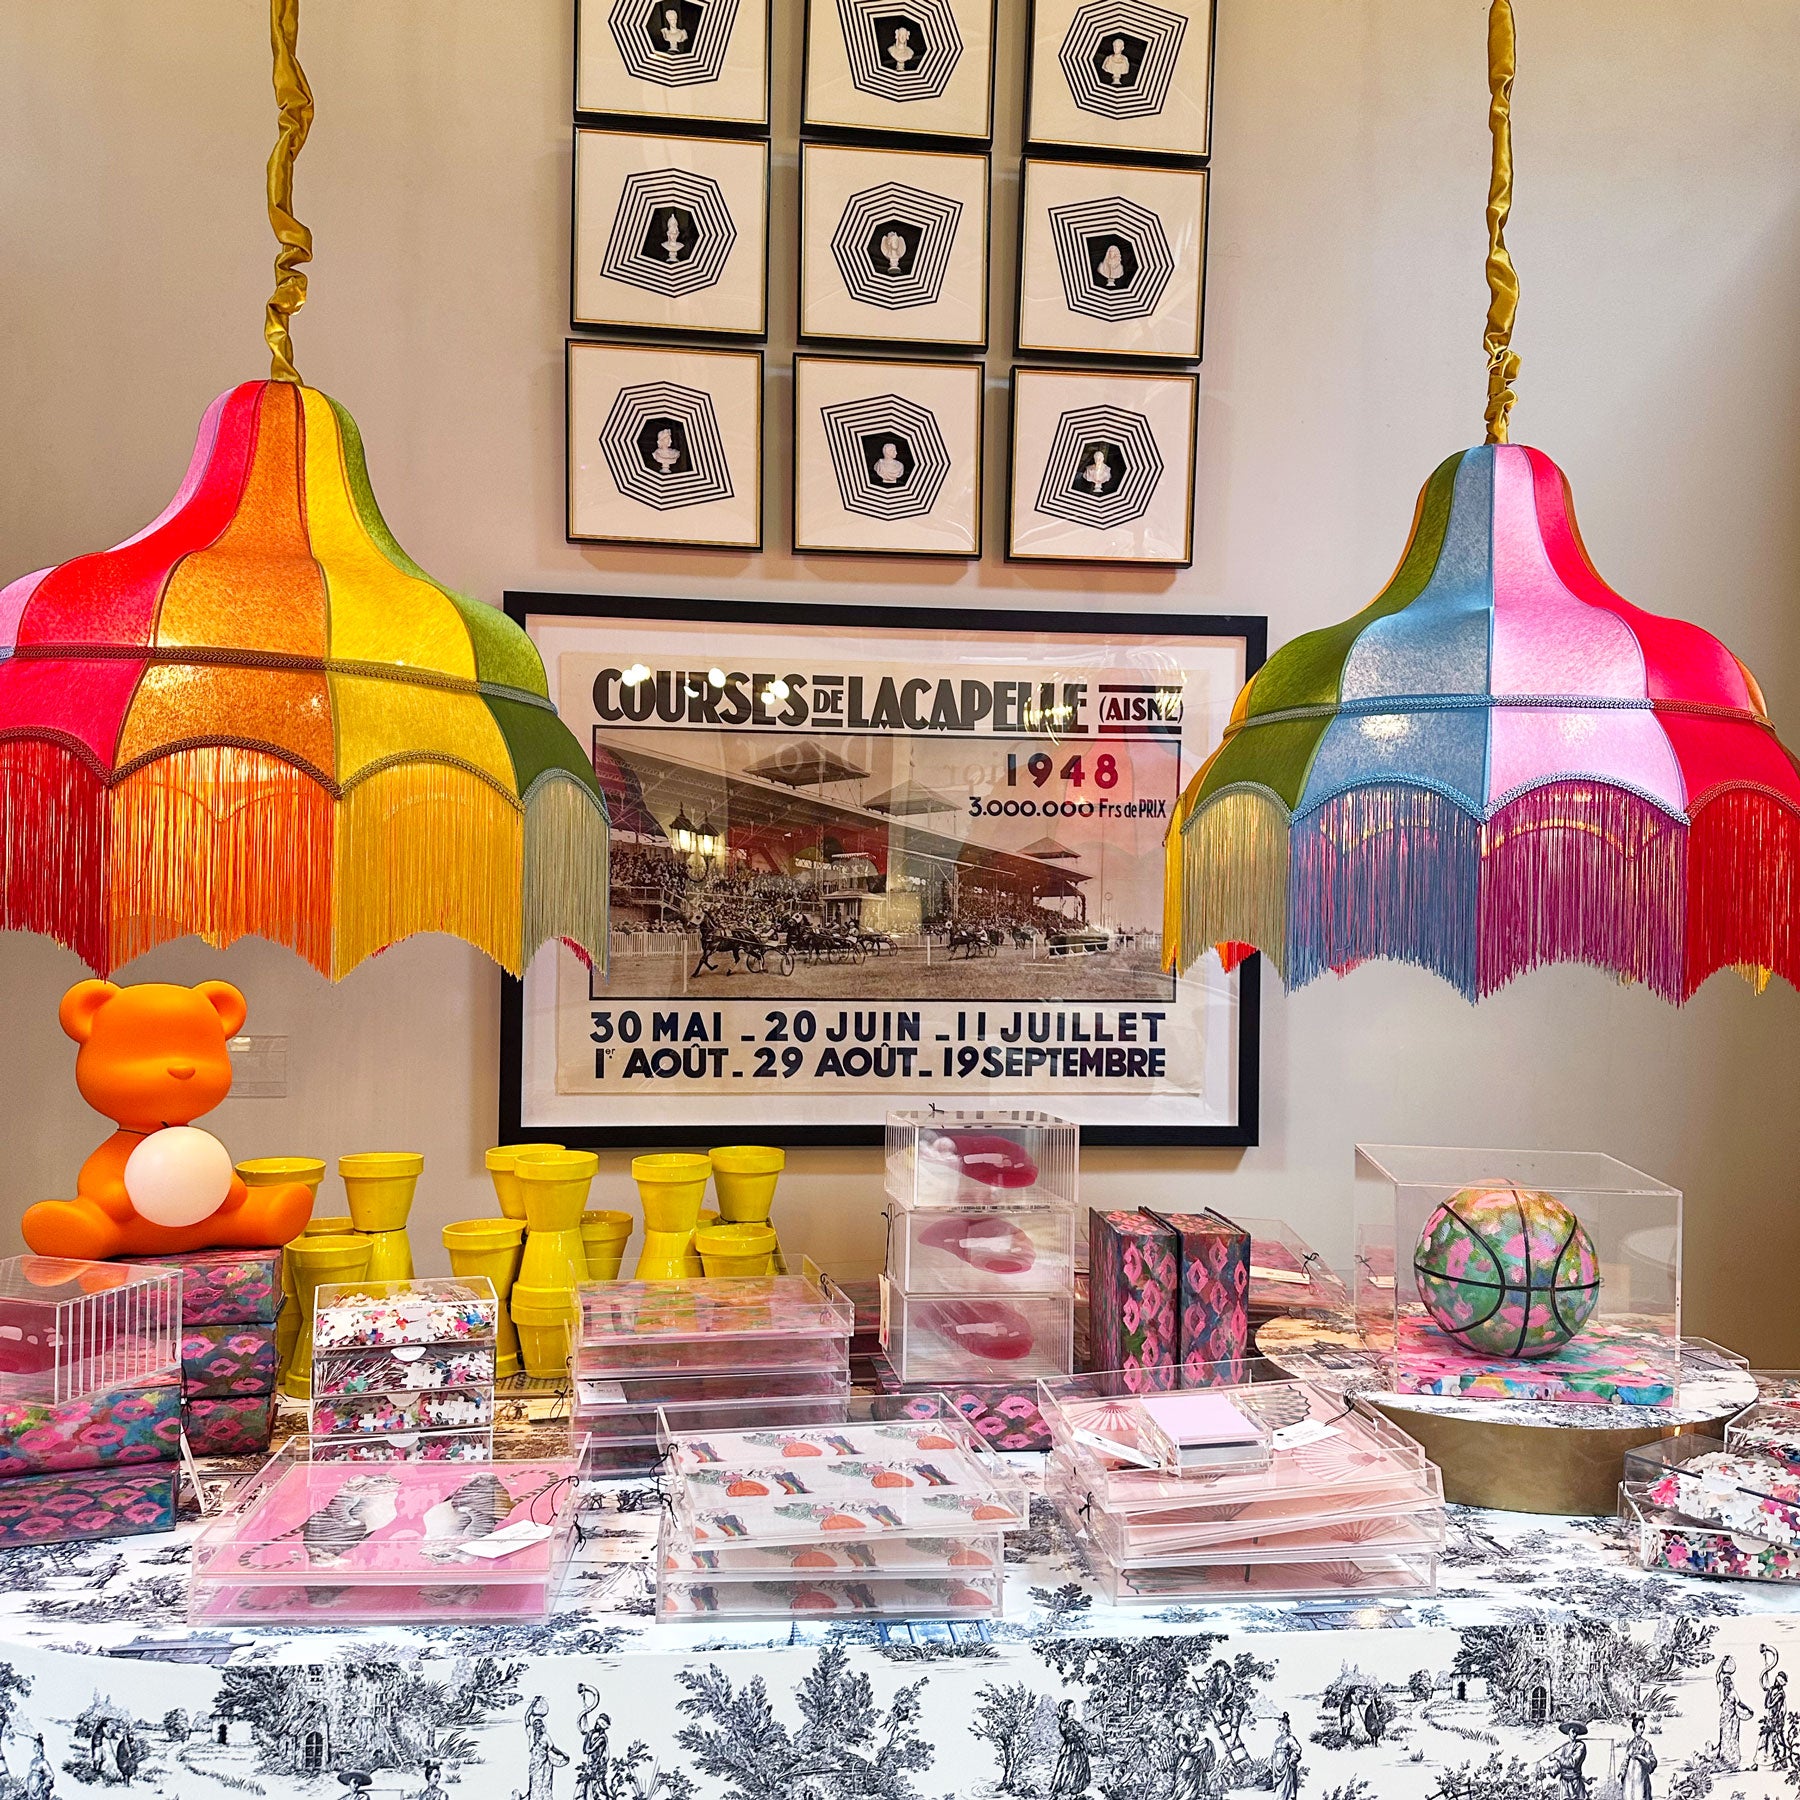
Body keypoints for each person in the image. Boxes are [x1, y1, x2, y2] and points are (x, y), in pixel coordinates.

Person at [1048, 1701, 1091, 1797]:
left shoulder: (1063, 1723)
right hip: (1075, 1747)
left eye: (1074, 1707)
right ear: (1066, 1711)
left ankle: (1068, 1788)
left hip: (1068, 1747)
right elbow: (1081, 1734)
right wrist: (1087, 1735)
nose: (1074, 1709)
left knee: (1067, 1767)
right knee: (1076, 1767)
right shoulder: (1072, 1723)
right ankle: (1072, 1789)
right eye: (1071, 1708)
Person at [1719, 1655, 1753, 1769]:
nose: (1726, 1682)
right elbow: (1717, 1675)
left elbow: (1739, 1703)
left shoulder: (1733, 1692)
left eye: (1728, 1681)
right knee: (1724, 1737)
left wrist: (1748, 1709)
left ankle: (1733, 1760)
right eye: (1725, 1681)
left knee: (1733, 1738)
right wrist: (1723, 1662)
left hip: (1733, 1718)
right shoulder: (1721, 1690)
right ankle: (1724, 1759)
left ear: (1731, 1682)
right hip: (1724, 1718)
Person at [1547, 1722, 1589, 1799]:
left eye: (1576, 1732)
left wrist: (1556, 1756)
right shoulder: (1565, 1747)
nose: (1575, 1734)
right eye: (1573, 1731)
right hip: (1564, 1782)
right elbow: (1560, 1764)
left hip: (1575, 1782)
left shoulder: (1580, 1746)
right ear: (1568, 1732)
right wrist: (1551, 1771)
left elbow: (1571, 1763)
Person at [1621, 1715, 1656, 1800]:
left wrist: (1640, 1757)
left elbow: (1653, 1761)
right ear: (1635, 1728)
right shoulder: (1630, 1744)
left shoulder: (1646, 1744)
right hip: (1629, 1781)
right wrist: (1622, 1772)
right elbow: (1626, 1760)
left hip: (1641, 1780)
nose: (1642, 1730)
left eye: (1643, 1727)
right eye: (1640, 1727)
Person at [1270, 1714, 1302, 1800]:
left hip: (1286, 1767)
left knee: (1286, 1789)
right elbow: (1274, 1754)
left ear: (1285, 1725)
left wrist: (1291, 1760)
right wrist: (1272, 1763)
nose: (1278, 1727)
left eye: (1280, 1725)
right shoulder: (1277, 1740)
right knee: (1279, 1791)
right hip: (1278, 1768)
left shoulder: (1290, 1738)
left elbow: (1298, 1750)